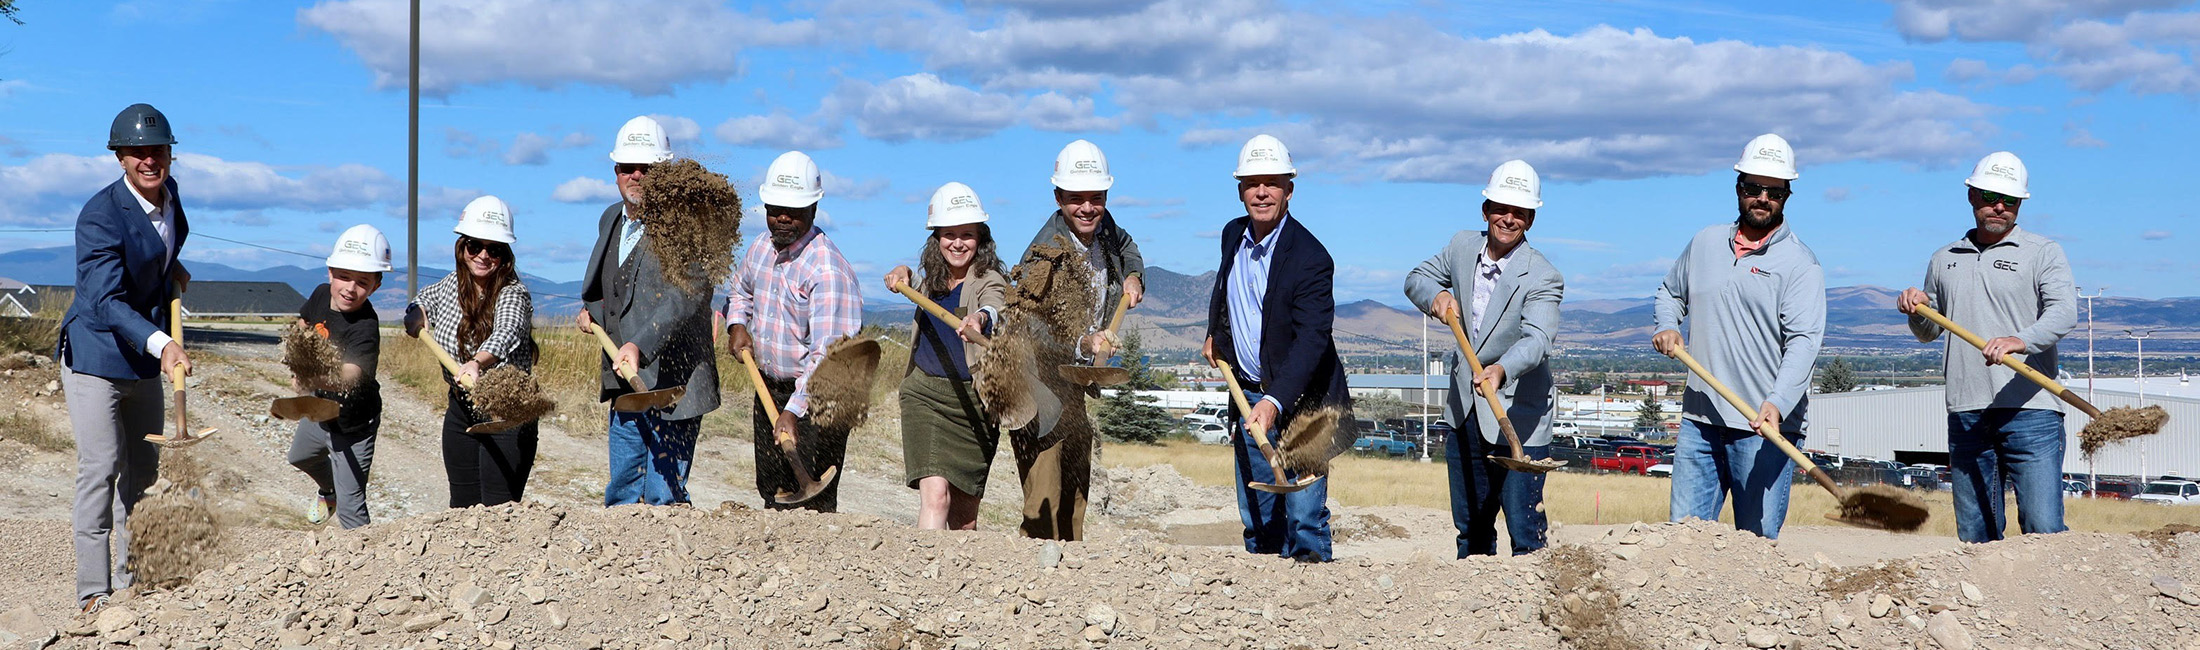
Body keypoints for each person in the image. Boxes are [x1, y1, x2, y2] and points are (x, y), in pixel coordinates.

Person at [1651, 133, 1825, 540]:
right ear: (1738, 188)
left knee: (1755, 550)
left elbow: (1804, 344)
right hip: (1700, 421)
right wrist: (1667, 324)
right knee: (1682, 545)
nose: (1762, 198)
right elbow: (1670, 292)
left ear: (1787, 196)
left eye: (1774, 191)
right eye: (1753, 188)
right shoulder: (1705, 242)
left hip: (1762, 430)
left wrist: (1777, 404)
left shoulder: (1801, 264)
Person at [1897, 151, 2075, 543]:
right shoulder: (1944, 258)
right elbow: (1929, 331)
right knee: (1976, 536)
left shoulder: (2043, 252)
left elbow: (2064, 312)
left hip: (2031, 409)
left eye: (2009, 200)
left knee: (2044, 531)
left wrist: (2021, 340)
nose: (1999, 207)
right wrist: (1915, 309)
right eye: (1991, 196)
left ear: (2020, 204)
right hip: (1967, 410)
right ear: (1972, 196)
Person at [60, 103, 192, 613]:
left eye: (158, 151)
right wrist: (163, 343)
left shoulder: (172, 195)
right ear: (119, 157)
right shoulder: (98, 215)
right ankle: (94, 592)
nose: (150, 160)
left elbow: (163, 240)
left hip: (143, 354)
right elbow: (106, 299)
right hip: (96, 354)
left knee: (145, 468)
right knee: (102, 466)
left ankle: (138, 577)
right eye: (138, 152)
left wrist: (169, 266)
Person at [1404, 160, 1565, 557]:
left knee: (1524, 527)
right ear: (1486, 210)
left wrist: (1501, 368)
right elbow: (1416, 278)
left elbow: (1539, 338)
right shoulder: (1461, 246)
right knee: (1472, 526)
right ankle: (1475, 609)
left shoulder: (1542, 275)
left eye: (1520, 213)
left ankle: (1532, 604)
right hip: (1465, 411)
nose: (1508, 219)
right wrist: (1435, 297)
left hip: (1518, 417)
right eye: (1501, 209)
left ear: (1530, 218)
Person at [1203, 134, 1352, 562]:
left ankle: (1309, 605)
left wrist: (1274, 400)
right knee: (1258, 515)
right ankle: (1261, 605)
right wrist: (1217, 333)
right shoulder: (1233, 234)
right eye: (1253, 183)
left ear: (1289, 190)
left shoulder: (1310, 257)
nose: (1262, 192)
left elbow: (1312, 339)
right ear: (1240, 191)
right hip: (1248, 393)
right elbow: (1227, 293)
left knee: (1304, 515)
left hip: (1307, 401)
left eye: (1273, 182)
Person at [580, 116, 720, 506]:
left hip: (676, 386)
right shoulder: (610, 218)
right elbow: (608, 287)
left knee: (664, 497)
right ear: (616, 172)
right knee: (622, 490)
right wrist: (591, 311)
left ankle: (669, 567)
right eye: (628, 167)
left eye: (648, 168)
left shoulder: (689, 224)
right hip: (626, 383)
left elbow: (687, 295)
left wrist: (640, 344)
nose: (637, 175)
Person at [1010, 139, 1145, 541]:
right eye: (1076, 199)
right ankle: (1034, 575)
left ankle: (1072, 575)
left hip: (1074, 385)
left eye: (1096, 198)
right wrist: (1082, 344)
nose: (1087, 208)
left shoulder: (1104, 228)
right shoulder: (1043, 254)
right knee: (1044, 496)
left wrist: (1134, 275)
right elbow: (1029, 322)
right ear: (1058, 197)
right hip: (1039, 388)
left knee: (1075, 488)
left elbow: (1127, 246)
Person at [723, 150, 863, 513]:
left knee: (810, 507)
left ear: (813, 210)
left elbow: (829, 358)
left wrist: (793, 411)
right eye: (775, 209)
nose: (782, 218)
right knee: (772, 488)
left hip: (817, 401)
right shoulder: (761, 248)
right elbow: (740, 289)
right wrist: (737, 324)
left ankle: (811, 566)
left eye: (794, 211)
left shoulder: (827, 271)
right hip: (767, 385)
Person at [884, 182, 1008, 530]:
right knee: (935, 496)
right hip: (925, 395)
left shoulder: (989, 279)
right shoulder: (929, 282)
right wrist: (902, 273)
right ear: (936, 237)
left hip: (974, 405)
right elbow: (907, 280)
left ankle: (955, 579)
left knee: (965, 520)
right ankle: (925, 574)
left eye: (967, 235)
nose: (957, 243)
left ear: (980, 238)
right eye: (948, 234)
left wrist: (981, 318)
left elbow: (995, 303)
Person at [406, 195, 541, 508]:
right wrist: (416, 311)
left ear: (504, 254)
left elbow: (506, 332)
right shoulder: (451, 284)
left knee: (498, 510)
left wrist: (477, 362)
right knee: (462, 509)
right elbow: (423, 299)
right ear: (462, 247)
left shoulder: (513, 292)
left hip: (506, 413)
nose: (483, 256)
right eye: (474, 246)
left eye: (493, 249)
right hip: (462, 410)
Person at [286, 225, 390, 529]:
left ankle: (363, 566)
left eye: (362, 282)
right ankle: (327, 491)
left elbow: (351, 376)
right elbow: (303, 324)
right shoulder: (320, 294)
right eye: (344, 276)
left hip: (353, 424)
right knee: (300, 457)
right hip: (320, 409)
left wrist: (311, 379)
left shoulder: (365, 326)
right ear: (330, 272)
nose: (350, 288)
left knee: (352, 508)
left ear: (376, 285)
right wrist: (297, 357)